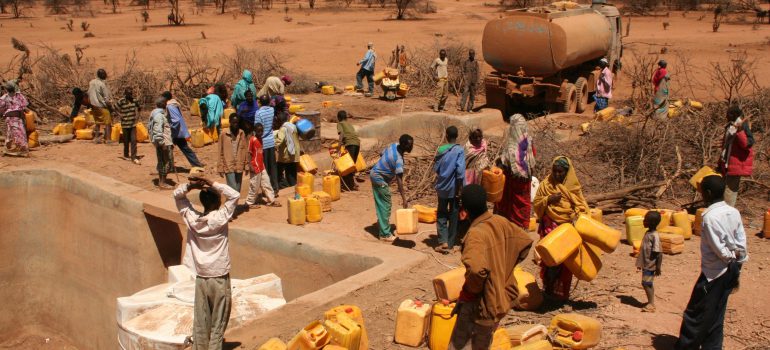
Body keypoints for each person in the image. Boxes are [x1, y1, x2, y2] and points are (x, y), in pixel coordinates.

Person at [448, 185, 533, 350]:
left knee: (460, 344)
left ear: (464, 210)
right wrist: (505, 271)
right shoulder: (499, 221)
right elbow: (524, 242)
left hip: (480, 304)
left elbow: (476, 271)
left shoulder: (475, 235)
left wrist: (473, 292)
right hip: (501, 297)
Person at [675, 175, 748, 349]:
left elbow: (719, 248)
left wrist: (729, 259)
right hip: (732, 269)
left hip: (714, 273)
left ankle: (686, 346)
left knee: (696, 314)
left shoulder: (710, 217)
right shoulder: (733, 211)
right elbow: (741, 240)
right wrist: (739, 261)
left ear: (707, 193)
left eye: (701, 193)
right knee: (717, 313)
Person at [174, 176, 238, 350]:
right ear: (218, 201)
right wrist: (211, 182)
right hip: (219, 277)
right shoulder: (220, 218)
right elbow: (234, 195)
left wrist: (190, 186)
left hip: (201, 278)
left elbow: (177, 196)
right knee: (218, 323)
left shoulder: (193, 220)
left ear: (202, 201)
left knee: (201, 322)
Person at [532, 156, 589, 300]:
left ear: (567, 172)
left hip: (566, 229)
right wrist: (548, 200)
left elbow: (582, 207)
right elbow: (537, 204)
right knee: (550, 260)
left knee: (565, 263)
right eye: (555, 171)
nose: (557, 175)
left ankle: (562, 294)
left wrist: (576, 215)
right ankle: (548, 290)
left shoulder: (573, 188)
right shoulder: (546, 185)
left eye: (561, 172)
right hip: (549, 228)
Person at [494, 114, 536, 230]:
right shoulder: (528, 141)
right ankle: (522, 228)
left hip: (512, 182)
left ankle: (510, 229)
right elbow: (533, 159)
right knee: (522, 204)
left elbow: (504, 163)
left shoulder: (510, 145)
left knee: (509, 205)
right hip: (524, 181)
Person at [370, 134, 413, 242]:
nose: (411, 147)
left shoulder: (394, 145)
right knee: (386, 203)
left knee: (381, 202)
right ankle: (385, 234)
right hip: (379, 179)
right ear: (404, 145)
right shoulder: (398, 160)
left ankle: (382, 224)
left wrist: (386, 165)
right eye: (409, 145)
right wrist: (404, 198)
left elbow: (381, 153)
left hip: (375, 174)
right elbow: (399, 181)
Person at [434, 126, 465, 253]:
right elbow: (460, 172)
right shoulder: (459, 150)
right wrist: (460, 189)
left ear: (446, 135)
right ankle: (451, 243)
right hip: (454, 188)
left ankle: (443, 241)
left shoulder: (441, 150)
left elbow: (436, 169)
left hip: (442, 187)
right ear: (457, 135)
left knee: (441, 212)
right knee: (453, 214)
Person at [718, 105, 754, 207]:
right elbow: (726, 146)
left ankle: (728, 214)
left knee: (730, 191)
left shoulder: (743, 126)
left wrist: (740, 131)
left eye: (729, 114)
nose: (726, 116)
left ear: (734, 115)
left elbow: (747, 144)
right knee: (723, 190)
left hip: (736, 164)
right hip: (726, 163)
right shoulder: (730, 126)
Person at [163, 91, 204, 168]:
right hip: (179, 131)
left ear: (165, 98)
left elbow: (176, 119)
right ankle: (196, 164)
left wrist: (170, 127)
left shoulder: (170, 106)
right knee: (184, 149)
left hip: (175, 132)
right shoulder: (174, 104)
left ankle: (167, 167)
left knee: (167, 149)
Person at [246, 123, 280, 208]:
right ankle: (250, 203)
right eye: (258, 131)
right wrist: (250, 165)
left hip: (261, 166)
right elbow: (249, 153)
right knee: (254, 186)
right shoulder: (252, 140)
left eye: (261, 131)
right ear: (255, 131)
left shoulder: (261, 139)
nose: (260, 133)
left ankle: (271, 200)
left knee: (266, 183)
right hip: (255, 166)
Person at [217, 113, 250, 194]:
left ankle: (234, 206)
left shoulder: (241, 133)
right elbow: (220, 152)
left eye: (237, 123)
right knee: (232, 189)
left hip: (239, 164)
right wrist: (220, 167)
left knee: (238, 189)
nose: (235, 125)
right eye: (234, 122)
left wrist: (246, 165)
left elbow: (245, 150)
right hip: (228, 165)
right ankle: (232, 206)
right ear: (230, 122)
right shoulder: (223, 134)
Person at [637, 211, 663, 313]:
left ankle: (651, 304)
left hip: (650, 265)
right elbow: (645, 250)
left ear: (651, 223)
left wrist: (658, 267)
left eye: (645, 220)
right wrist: (640, 263)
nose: (643, 221)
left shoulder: (655, 236)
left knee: (646, 283)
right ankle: (650, 302)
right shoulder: (648, 233)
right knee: (647, 283)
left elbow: (659, 253)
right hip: (646, 263)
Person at [256, 94, 279, 195]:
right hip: (271, 142)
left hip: (263, 143)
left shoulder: (258, 113)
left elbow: (257, 127)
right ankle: (275, 188)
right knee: (273, 166)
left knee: (265, 168)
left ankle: (268, 191)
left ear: (260, 102)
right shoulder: (272, 110)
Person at [148, 98, 173, 189]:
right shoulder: (159, 115)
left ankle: (161, 181)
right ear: (163, 104)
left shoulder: (156, 113)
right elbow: (157, 130)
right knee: (166, 162)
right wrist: (163, 143)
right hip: (164, 142)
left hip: (162, 142)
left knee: (162, 161)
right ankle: (162, 183)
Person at [0, 80, 29, 157]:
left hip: (10, 118)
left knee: (10, 133)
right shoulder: (19, 96)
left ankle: (7, 148)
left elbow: (1, 108)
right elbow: (25, 104)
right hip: (15, 117)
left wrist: (5, 112)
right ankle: (22, 149)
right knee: (19, 133)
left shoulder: (4, 97)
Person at [87, 68, 114, 144]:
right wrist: (111, 107)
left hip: (93, 105)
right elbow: (106, 99)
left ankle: (96, 138)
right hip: (101, 105)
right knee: (108, 122)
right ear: (104, 75)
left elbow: (88, 93)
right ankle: (108, 140)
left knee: (97, 122)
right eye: (104, 74)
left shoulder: (91, 82)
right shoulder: (102, 84)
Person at [275, 112, 301, 189]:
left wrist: (272, 145)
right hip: (295, 153)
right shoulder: (293, 126)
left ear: (279, 121)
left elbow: (279, 140)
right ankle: (293, 186)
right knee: (292, 173)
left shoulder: (283, 129)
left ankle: (285, 186)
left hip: (286, 155)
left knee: (278, 170)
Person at [337, 110, 361, 191]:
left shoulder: (340, 124)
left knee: (348, 166)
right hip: (357, 144)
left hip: (350, 144)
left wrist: (338, 147)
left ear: (339, 118)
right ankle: (352, 183)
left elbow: (342, 134)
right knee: (352, 165)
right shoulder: (349, 124)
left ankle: (351, 185)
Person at [116, 87, 140, 165]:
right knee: (126, 141)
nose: (130, 95)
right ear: (125, 94)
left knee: (133, 140)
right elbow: (114, 107)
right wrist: (119, 115)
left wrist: (137, 115)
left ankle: (133, 157)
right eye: (128, 94)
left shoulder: (135, 100)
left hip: (133, 124)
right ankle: (126, 154)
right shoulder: (121, 101)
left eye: (131, 93)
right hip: (125, 124)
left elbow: (139, 108)